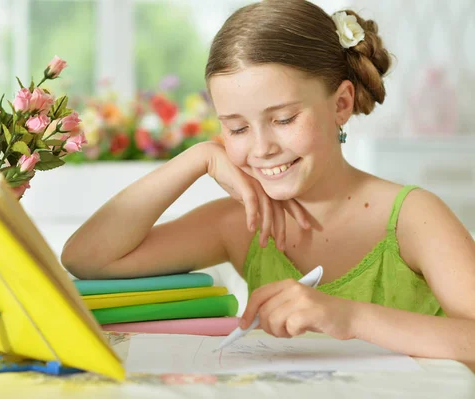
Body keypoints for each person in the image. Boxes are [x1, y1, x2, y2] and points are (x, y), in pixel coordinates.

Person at [62, 0, 475, 366]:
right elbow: (87, 257)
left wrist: (349, 317)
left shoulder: (413, 218)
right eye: (237, 128)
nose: (261, 148)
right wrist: (197, 158)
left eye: (283, 119)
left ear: (342, 104)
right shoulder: (242, 224)